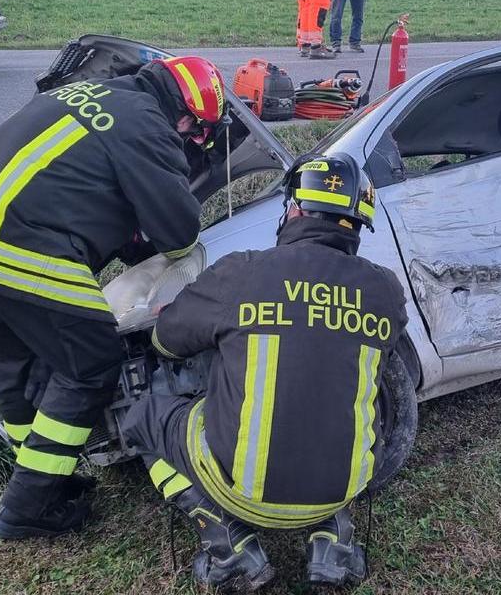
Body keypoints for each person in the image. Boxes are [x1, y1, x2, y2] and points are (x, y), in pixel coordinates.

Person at [0, 56, 230, 540]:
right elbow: (180, 231)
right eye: (195, 134)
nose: (190, 141)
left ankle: (44, 482)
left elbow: (82, 186)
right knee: (93, 361)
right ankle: (26, 510)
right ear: (186, 117)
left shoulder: (92, 92)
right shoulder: (149, 125)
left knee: (12, 362)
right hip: (24, 246)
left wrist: (129, 240)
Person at [121, 154, 409, 592]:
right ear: (357, 224)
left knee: (143, 416)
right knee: (330, 405)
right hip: (342, 489)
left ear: (293, 209)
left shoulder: (243, 271)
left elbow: (166, 341)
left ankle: (228, 546)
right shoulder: (386, 290)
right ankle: (334, 544)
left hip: (239, 492)